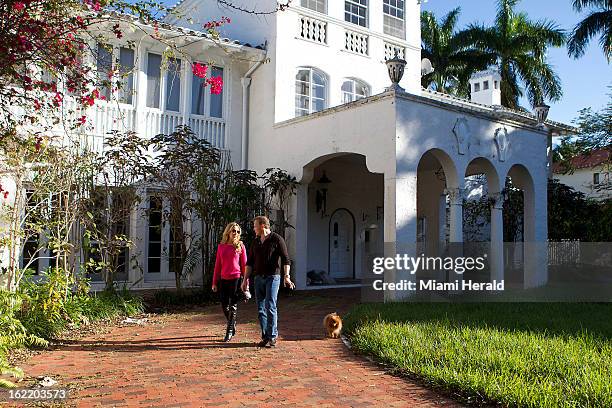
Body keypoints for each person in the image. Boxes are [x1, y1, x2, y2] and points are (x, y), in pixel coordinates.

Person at [242, 215, 295, 348]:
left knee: (270, 306)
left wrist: (287, 276)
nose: (254, 229)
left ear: (262, 226)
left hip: (273, 277)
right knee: (261, 309)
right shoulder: (255, 242)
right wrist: (245, 280)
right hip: (258, 278)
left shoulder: (276, 239)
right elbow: (249, 263)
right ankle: (266, 336)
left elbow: (286, 259)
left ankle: (272, 336)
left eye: (255, 226)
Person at [212, 222, 248, 342]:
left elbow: (245, 266)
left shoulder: (240, 246)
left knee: (233, 305)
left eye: (238, 231)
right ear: (228, 232)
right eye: (233, 231)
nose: (236, 233)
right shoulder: (221, 247)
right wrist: (214, 282)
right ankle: (232, 323)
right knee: (224, 305)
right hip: (223, 279)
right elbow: (217, 265)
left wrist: (246, 283)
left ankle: (229, 331)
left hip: (236, 279)